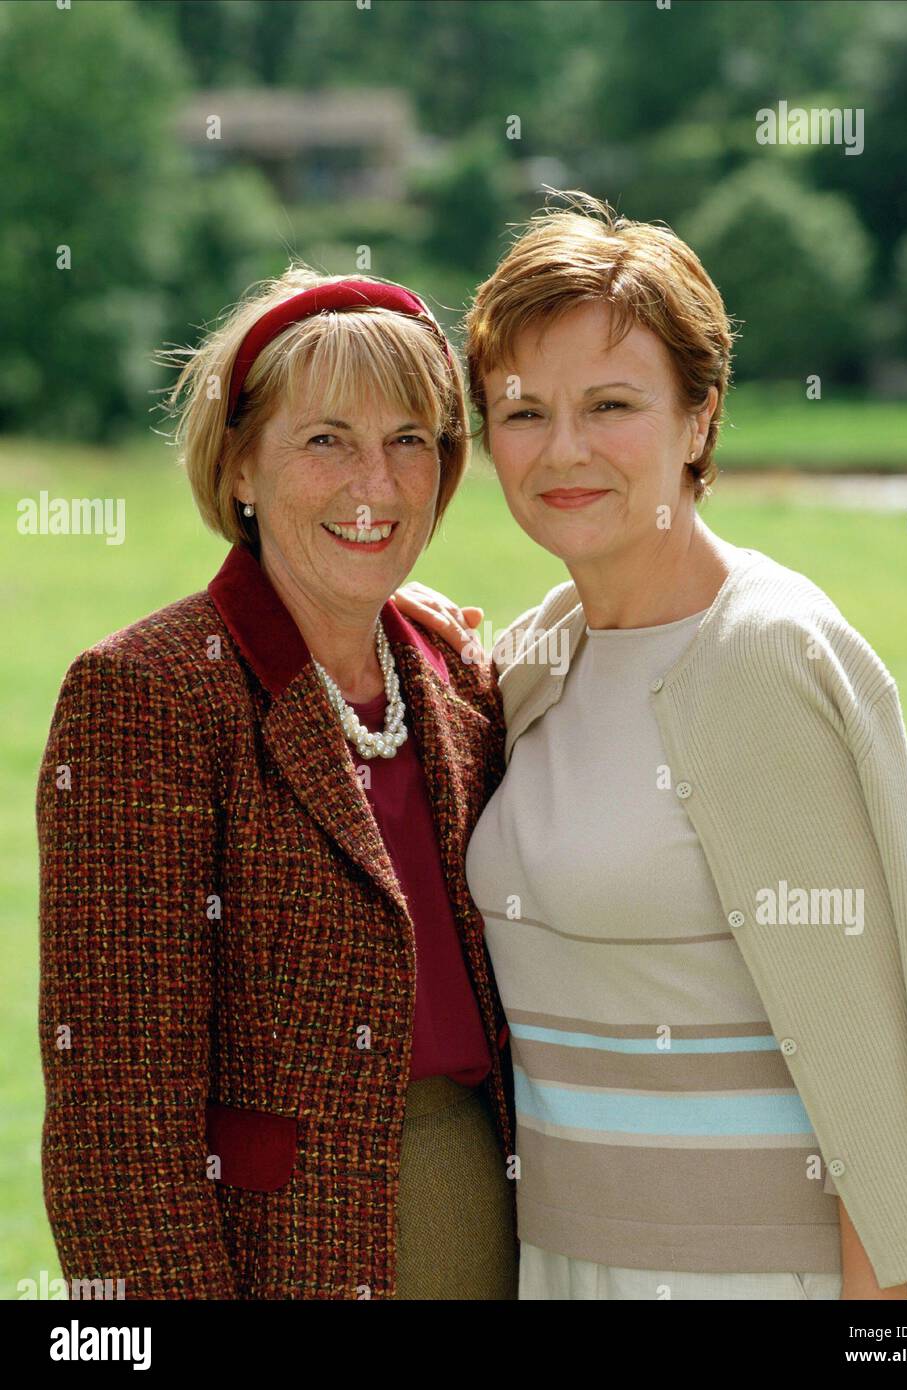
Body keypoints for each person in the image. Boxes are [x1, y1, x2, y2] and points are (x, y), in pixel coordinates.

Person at [397, 192, 907, 1301]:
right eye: (523, 413)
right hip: (561, 1269)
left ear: (700, 417)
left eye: (611, 404)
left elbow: (878, 1070)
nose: (561, 450)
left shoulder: (768, 658)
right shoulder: (537, 663)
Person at [37, 269, 517, 1300]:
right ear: (241, 464)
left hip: (510, 1244)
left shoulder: (461, 677)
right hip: (285, 1265)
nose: (375, 486)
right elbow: (117, 1131)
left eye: (408, 440)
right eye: (325, 439)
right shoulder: (147, 694)